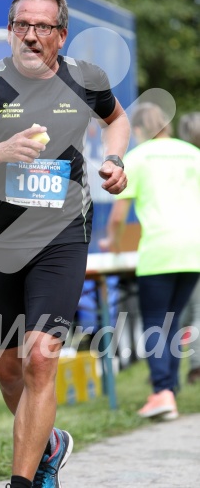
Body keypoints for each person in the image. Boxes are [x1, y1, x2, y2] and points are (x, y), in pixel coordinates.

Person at [0, 0, 130, 488]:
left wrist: (114, 159)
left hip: (63, 232)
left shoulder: (87, 79)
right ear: (9, 31)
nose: (30, 34)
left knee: (40, 356)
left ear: (60, 35)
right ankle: (50, 444)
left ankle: (23, 482)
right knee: (8, 367)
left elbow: (117, 119)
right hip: (1, 238)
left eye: (42, 26)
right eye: (21, 24)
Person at [100, 103, 200, 420]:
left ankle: (161, 392)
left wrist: (111, 243)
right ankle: (169, 387)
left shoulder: (139, 157)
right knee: (174, 320)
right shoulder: (191, 153)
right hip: (194, 250)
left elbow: (118, 216)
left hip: (159, 249)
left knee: (156, 321)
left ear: (139, 130)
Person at [178, 112, 200, 384]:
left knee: (181, 312)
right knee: (194, 311)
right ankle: (195, 366)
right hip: (193, 243)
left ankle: (168, 369)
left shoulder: (179, 161)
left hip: (173, 245)